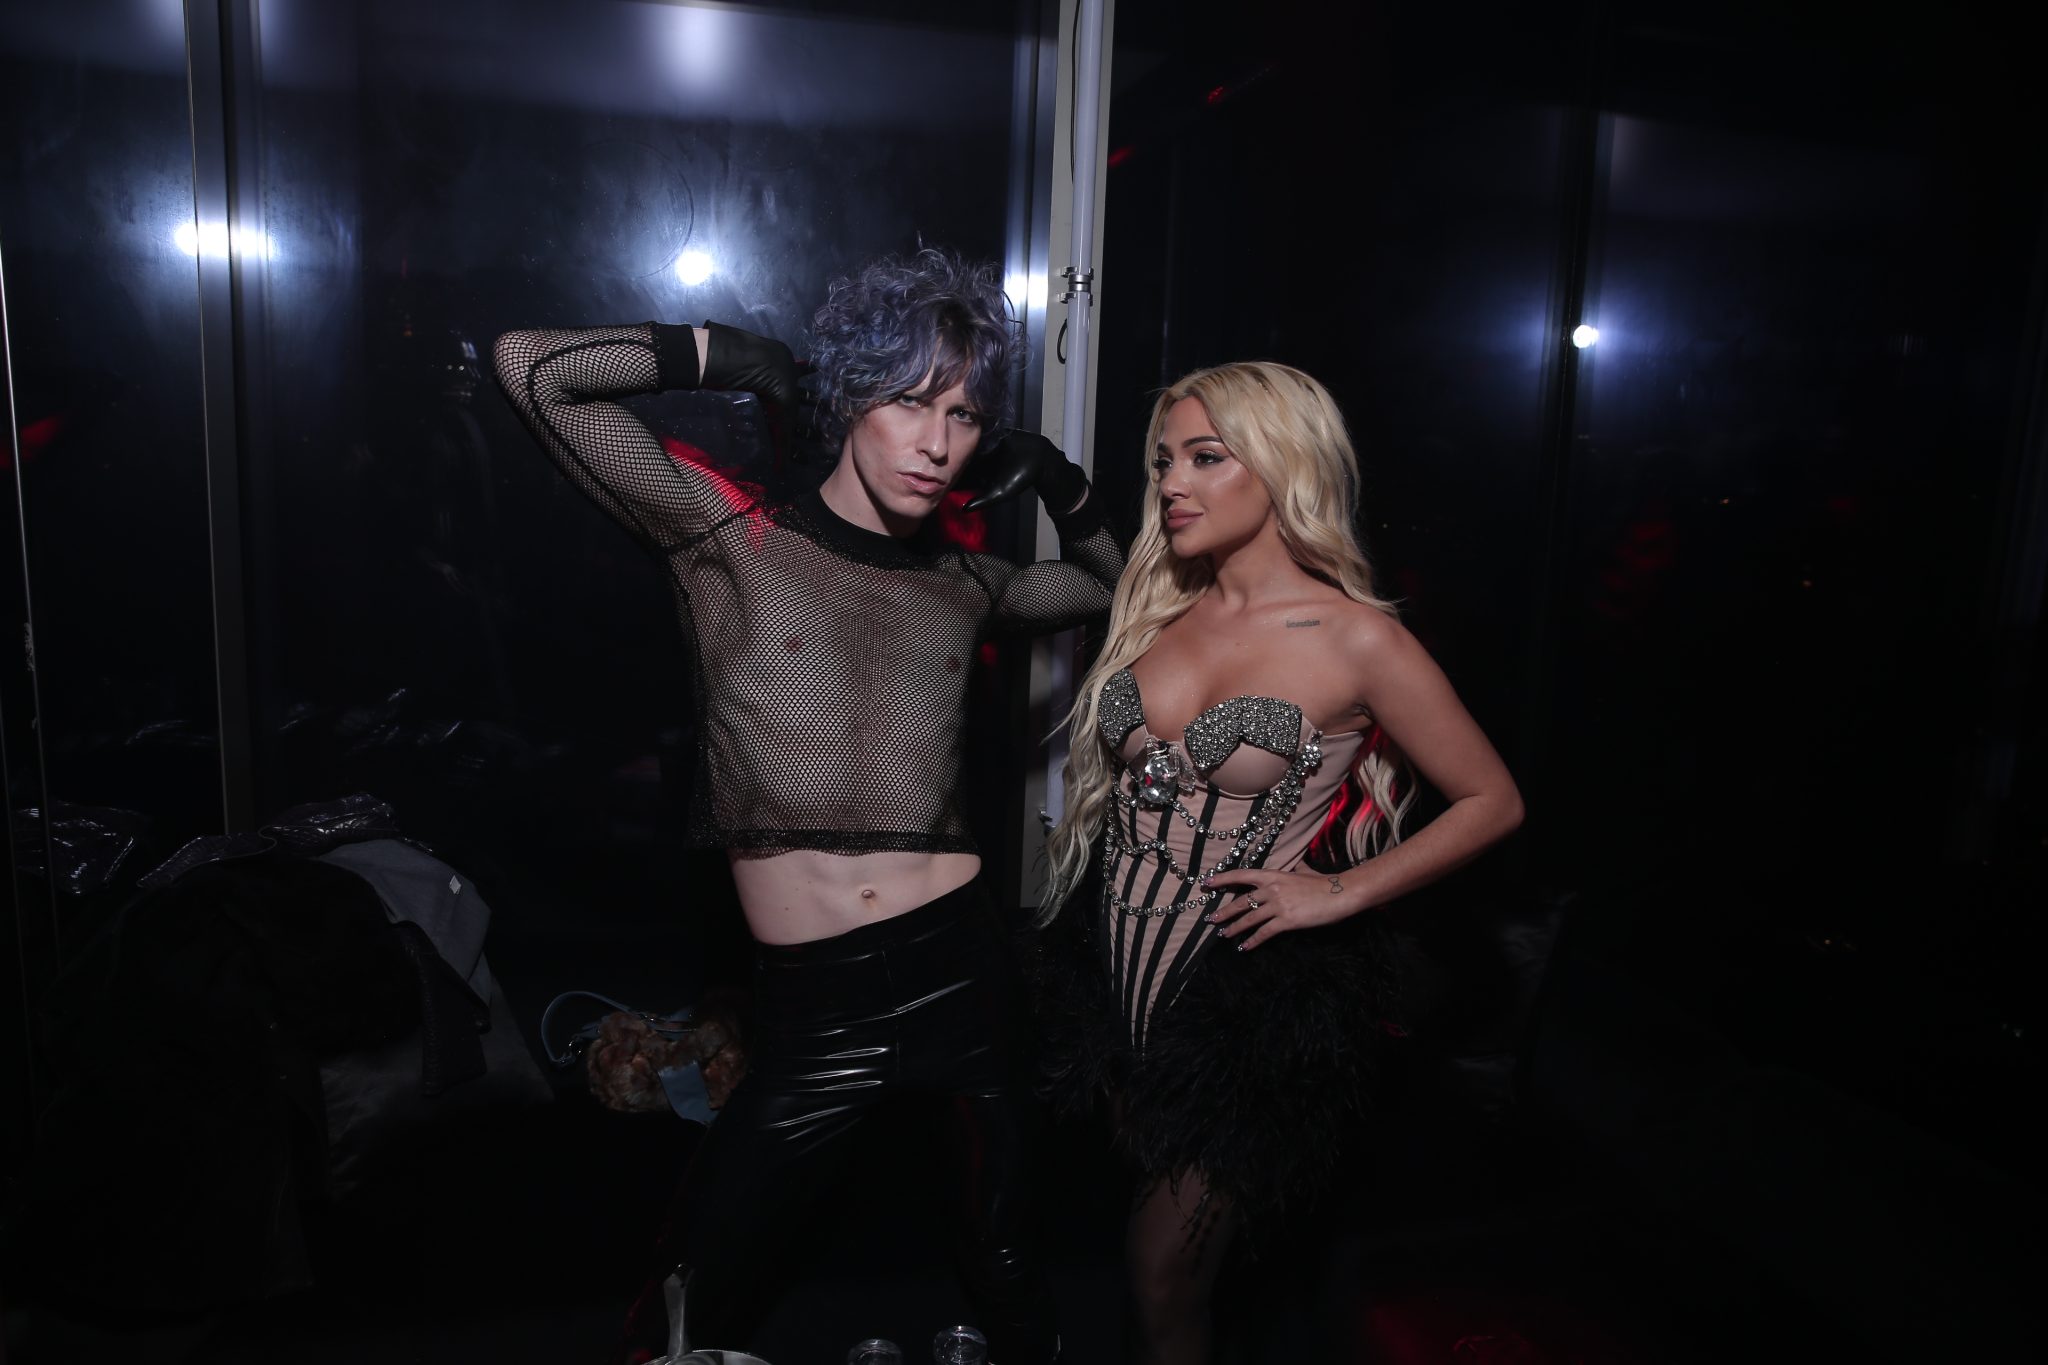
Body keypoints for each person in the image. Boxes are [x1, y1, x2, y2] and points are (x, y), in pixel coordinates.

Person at [493, 247, 1119, 1364]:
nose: (939, 443)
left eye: (966, 416)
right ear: (847, 399)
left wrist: (1059, 480)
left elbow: (1113, 584)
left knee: (1006, 1262)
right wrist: (718, 353)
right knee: (696, 1288)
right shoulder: (728, 537)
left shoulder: (963, 584)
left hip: (961, 975)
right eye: (908, 401)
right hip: (813, 1010)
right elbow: (530, 369)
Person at [1034, 361, 1524, 1365]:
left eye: (1204, 458)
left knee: (1161, 1273)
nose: (1171, 483)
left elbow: (1493, 801)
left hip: (1244, 1003)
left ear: (1279, 463)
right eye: (1163, 461)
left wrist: (1336, 890)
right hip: (1115, 989)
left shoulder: (1356, 639)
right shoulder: (1157, 608)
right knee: (1141, 1246)